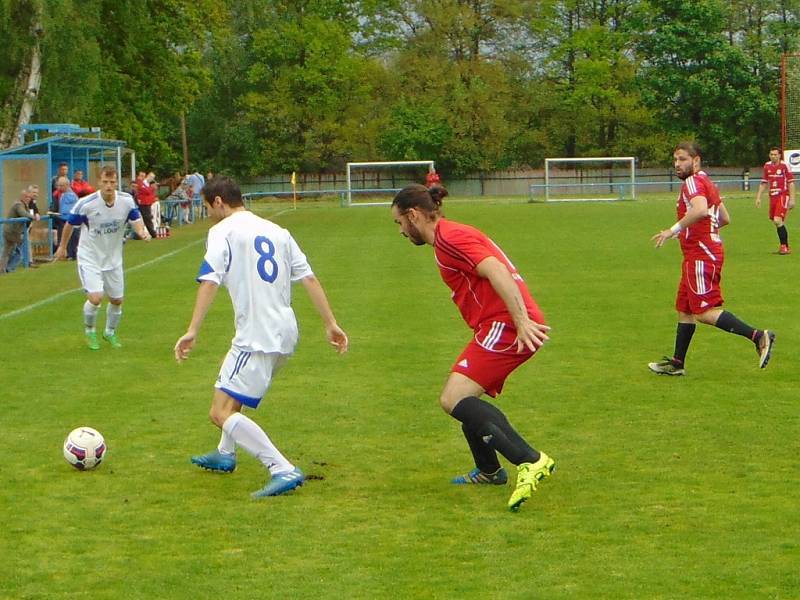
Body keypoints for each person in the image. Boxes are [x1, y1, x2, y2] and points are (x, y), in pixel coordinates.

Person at [174, 176, 348, 499]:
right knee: (233, 393)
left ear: (217, 202)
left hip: (256, 335)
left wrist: (192, 329)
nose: (208, 214)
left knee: (219, 411)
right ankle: (225, 453)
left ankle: (281, 468)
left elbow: (209, 281)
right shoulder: (277, 231)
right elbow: (308, 277)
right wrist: (331, 323)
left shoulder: (222, 232)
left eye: (206, 207)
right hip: (285, 332)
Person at [390, 184, 555, 512]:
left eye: (399, 223)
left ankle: (530, 459)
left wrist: (520, 321)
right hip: (498, 323)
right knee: (466, 397)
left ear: (413, 215)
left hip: (504, 324)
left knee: (454, 399)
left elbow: (496, 270)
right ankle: (490, 471)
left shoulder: (450, 238)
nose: (401, 231)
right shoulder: (449, 236)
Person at [649, 141, 775, 376]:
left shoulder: (693, 182)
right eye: (675, 160)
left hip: (700, 255)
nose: (677, 164)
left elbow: (698, 210)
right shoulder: (706, 180)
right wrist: (695, 232)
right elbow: (724, 218)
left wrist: (673, 230)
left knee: (704, 312)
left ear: (696, 161)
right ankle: (677, 363)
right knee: (685, 309)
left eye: (683, 159)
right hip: (702, 252)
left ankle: (758, 336)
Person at [55, 166, 151, 349]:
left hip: (113, 259)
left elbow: (136, 220)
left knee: (117, 300)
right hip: (90, 257)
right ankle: (90, 331)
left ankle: (110, 333)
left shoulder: (126, 201)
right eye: (105, 182)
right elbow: (69, 224)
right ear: (99, 182)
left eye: (112, 182)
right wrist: (62, 247)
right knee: (96, 297)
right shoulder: (86, 204)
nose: (109, 186)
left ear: (116, 182)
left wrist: (142, 232)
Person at [755, 147, 796, 254]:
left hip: (783, 195)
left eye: (775, 154)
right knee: (776, 221)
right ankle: (785, 246)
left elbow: (791, 182)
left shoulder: (784, 166)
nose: (773, 156)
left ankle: (784, 247)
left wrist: (792, 199)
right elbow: (764, 182)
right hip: (772, 197)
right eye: (771, 154)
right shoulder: (767, 166)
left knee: (778, 220)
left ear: (779, 155)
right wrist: (759, 197)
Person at [0, 188, 34, 273]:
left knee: (7, 251)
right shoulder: (18, 205)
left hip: (10, 231)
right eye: (26, 197)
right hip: (12, 232)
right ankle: (10, 267)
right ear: (21, 197)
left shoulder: (25, 205)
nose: (28, 199)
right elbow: (23, 214)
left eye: (29, 197)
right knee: (22, 247)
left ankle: (2, 270)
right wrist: (33, 216)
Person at [57, 176, 80, 259]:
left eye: (61, 185)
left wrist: (60, 214)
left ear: (67, 185)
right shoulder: (63, 194)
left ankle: (71, 255)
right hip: (64, 220)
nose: (58, 187)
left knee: (71, 239)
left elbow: (68, 211)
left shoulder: (71, 196)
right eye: (58, 185)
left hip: (68, 221)